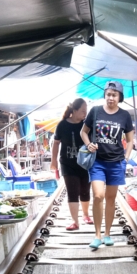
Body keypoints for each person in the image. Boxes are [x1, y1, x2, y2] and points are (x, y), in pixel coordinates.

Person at [80, 81, 135, 249]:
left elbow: (130, 140)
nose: (111, 97)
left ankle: (107, 234)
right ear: (105, 95)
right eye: (108, 94)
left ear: (119, 97)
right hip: (97, 161)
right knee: (98, 196)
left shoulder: (124, 115)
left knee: (111, 199)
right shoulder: (95, 111)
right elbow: (83, 132)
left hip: (116, 162)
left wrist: (126, 159)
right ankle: (97, 235)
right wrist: (89, 144)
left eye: (114, 95)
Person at [50, 98, 93, 230]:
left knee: (85, 191)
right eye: (82, 111)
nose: (85, 114)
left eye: (86, 111)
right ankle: (75, 221)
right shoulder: (62, 125)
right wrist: (53, 161)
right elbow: (56, 143)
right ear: (74, 111)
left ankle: (86, 215)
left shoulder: (87, 125)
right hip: (68, 164)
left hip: (85, 163)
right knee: (72, 192)